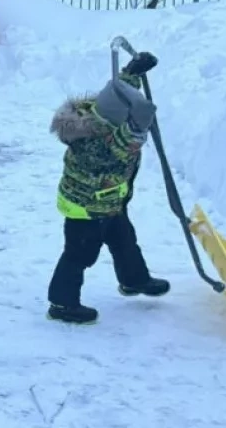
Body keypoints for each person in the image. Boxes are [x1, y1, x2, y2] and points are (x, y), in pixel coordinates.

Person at [46, 51, 168, 324]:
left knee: (125, 241)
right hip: (86, 208)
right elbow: (126, 144)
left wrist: (131, 74)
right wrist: (138, 125)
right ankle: (62, 303)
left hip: (110, 201)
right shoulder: (95, 143)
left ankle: (134, 280)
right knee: (80, 255)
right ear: (113, 125)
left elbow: (118, 96)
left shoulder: (100, 115)